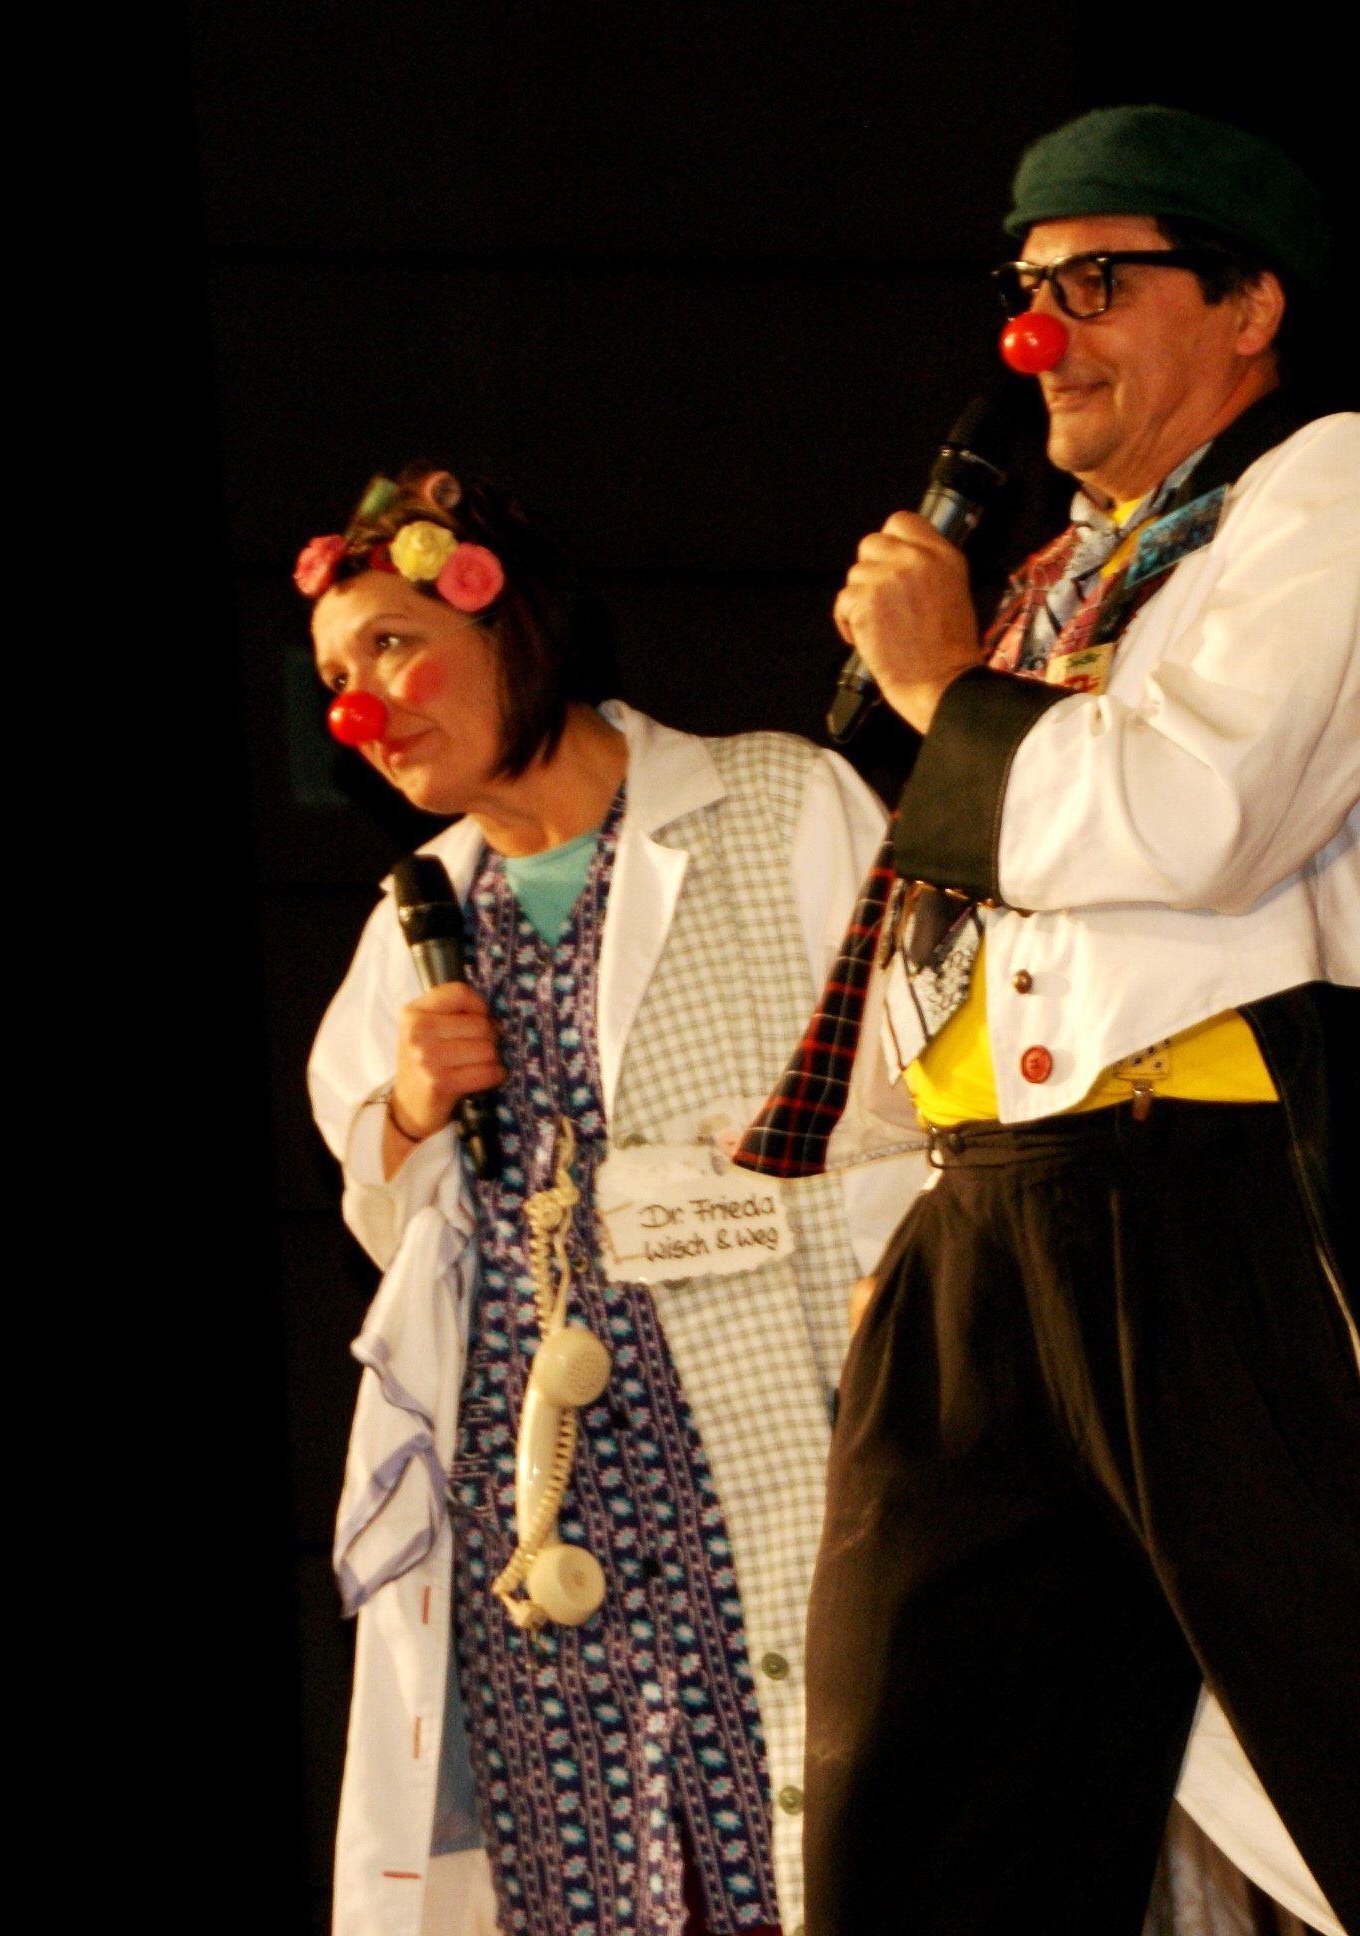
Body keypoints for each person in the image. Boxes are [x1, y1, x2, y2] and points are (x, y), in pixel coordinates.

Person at [738, 107, 1360, 1934]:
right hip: (988, 1212)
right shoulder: (1059, 574)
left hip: (1218, 1188)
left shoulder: (1343, 482)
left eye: (1100, 280)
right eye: (1028, 285)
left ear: (1250, 305)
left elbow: (1199, 816)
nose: (1042, 332)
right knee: (913, 1812)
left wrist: (944, 689)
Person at [306, 465, 918, 1936]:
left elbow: (925, 1116)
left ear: (510, 620)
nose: (361, 707)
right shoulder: (414, 921)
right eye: (332, 679)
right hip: (551, 1558)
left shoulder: (779, 802)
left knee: (847, 1863)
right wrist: (408, 1116)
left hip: (788, 1476)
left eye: (390, 646)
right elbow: (395, 1243)